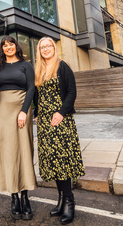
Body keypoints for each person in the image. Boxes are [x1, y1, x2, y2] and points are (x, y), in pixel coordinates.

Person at [34, 37, 84, 225]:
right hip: (45, 121)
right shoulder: (38, 69)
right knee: (53, 161)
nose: (46, 49)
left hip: (60, 119)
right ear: (39, 50)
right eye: (42, 47)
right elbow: (38, 95)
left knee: (62, 160)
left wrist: (61, 113)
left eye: (48, 46)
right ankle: (61, 200)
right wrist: (38, 113)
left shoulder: (63, 66)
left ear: (54, 48)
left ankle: (69, 202)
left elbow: (71, 92)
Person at [0, 35, 37, 220]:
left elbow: (32, 88)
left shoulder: (26, 65)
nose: (8, 47)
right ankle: (14, 197)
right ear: (2, 49)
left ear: (15, 46)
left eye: (11, 44)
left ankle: (25, 196)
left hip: (21, 109)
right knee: (7, 152)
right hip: (2, 112)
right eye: (4, 45)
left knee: (24, 150)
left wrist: (24, 111)